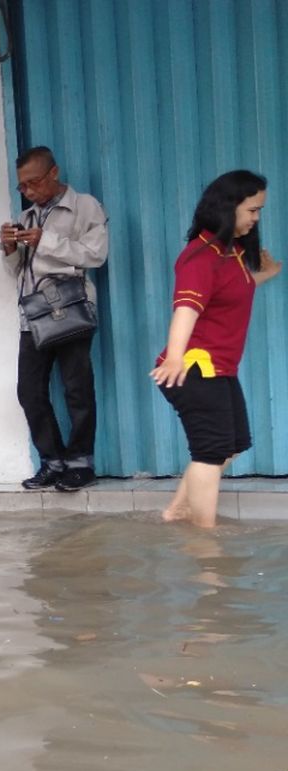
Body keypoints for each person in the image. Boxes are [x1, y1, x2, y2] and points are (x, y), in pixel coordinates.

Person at [150, 170, 280, 528]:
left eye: (259, 210)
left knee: (234, 444)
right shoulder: (201, 256)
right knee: (210, 453)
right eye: (252, 210)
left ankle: (178, 509)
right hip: (194, 367)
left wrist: (266, 274)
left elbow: (228, 294)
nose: (256, 218)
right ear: (228, 207)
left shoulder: (232, 252)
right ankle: (205, 540)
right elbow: (186, 308)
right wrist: (175, 356)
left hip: (219, 368)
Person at [0, 146, 109, 492]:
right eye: (22, 187)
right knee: (29, 391)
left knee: (77, 388)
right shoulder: (28, 216)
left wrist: (48, 242)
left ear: (53, 173)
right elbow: (17, 271)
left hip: (69, 309)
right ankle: (52, 460)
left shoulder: (84, 206)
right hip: (32, 314)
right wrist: (9, 250)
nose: (29, 192)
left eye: (33, 183)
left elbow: (96, 254)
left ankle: (80, 463)